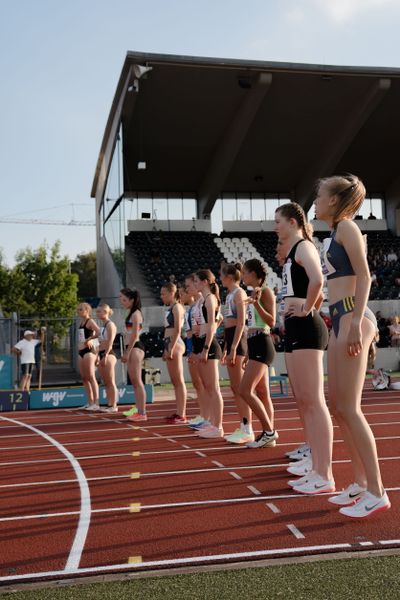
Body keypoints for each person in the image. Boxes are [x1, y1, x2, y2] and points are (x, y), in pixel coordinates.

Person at [315, 173, 390, 516]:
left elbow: (365, 275)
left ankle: (377, 490)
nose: (315, 202)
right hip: (339, 317)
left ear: (333, 200)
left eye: (319, 196)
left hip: (351, 317)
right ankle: (360, 482)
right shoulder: (333, 233)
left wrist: (357, 322)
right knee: (340, 406)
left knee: (351, 408)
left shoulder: (346, 227)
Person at [275, 202, 333, 494]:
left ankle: (324, 473)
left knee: (314, 400)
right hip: (296, 327)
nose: (275, 227)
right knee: (305, 399)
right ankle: (315, 463)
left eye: (278, 221)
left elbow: (319, 280)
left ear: (293, 222)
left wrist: (308, 308)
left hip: (308, 327)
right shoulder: (292, 253)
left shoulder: (304, 247)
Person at [240, 259, 277, 448]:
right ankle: (267, 434)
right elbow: (252, 325)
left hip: (263, 343)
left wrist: (256, 304)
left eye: (245, 272)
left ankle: (269, 432)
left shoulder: (267, 291)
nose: (242, 276)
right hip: (254, 344)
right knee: (262, 392)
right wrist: (247, 353)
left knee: (245, 390)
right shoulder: (252, 293)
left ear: (254, 274)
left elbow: (271, 321)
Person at [220, 262, 252, 444]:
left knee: (240, 387)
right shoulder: (230, 295)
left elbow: (241, 322)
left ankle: (247, 428)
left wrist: (233, 347)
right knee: (234, 387)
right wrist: (226, 347)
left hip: (238, 339)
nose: (220, 278)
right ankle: (243, 425)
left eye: (222, 275)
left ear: (230, 277)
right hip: (231, 337)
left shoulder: (239, 293)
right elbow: (228, 325)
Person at [192, 269, 224, 438]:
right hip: (204, 342)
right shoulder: (205, 300)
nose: (194, 283)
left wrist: (205, 348)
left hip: (209, 346)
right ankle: (212, 423)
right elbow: (216, 321)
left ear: (205, 282)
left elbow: (213, 324)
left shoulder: (210, 299)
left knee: (213, 387)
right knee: (208, 387)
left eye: (196, 280)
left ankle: (218, 427)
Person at [179, 279, 207, 427]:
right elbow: (189, 332)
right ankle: (202, 414)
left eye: (183, 292)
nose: (181, 295)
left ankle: (206, 416)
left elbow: (217, 318)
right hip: (193, 347)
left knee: (203, 383)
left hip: (199, 345)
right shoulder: (190, 309)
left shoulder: (201, 303)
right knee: (197, 384)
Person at [161, 282, 188, 423]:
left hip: (175, 343)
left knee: (179, 380)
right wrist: (166, 347)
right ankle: (179, 412)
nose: (161, 296)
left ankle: (182, 414)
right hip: (169, 342)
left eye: (163, 293)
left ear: (172, 293)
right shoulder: (170, 307)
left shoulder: (177, 307)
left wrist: (171, 347)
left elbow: (177, 329)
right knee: (174, 381)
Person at [120, 288, 147, 422]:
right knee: (134, 382)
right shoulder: (131, 313)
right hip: (131, 348)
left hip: (135, 347)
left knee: (137, 381)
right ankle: (138, 410)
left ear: (132, 300)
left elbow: (135, 335)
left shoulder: (136, 313)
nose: (122, 302)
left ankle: (142, 413)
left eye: (124, 299)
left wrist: (127, 352)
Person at [77, 303, 100, 410]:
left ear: (87, 310)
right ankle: (90, 402)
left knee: (91, 376)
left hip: (89, 352)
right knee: (84, 377)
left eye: (81, 309)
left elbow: (99, 332)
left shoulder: (90, 321)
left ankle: (96, 402)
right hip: (81, 352)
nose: (78, 311)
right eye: (78, 309)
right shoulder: (81, 322)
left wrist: (90, 339)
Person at [96, 304, 118, 413]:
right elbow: (99, 342)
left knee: (110, 381)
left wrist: (105, 355)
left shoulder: (110, 325)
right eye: (97, 311)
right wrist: (97, 356)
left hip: (108, 354)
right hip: (101, 353)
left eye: (99, 311)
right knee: (106, 382)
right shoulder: (102, 326)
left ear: (105, 312)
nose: (97, 313)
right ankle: (109, 404)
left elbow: (110, 342)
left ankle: (113, 405)